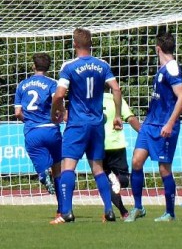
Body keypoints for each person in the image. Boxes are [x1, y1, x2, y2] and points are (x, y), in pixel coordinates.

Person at [50, 28, 123, 224]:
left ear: (74, 44)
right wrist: (117, 115)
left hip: (77, 124)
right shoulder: (102, 65)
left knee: (67, 166)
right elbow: (116, 88)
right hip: (97, 124)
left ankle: (66, 212)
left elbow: (58, 95)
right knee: (98, 168)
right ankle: (109, 211)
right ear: (91, 44)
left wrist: (56, 112)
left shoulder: (70, 66)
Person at [125, 31, 182, 222]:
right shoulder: (163, 69)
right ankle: (138, 208)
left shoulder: (172, 68)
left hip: (164, 126)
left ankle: (170, 213)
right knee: (136, 162)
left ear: (157, 48)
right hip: (150, 124)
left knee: (164, 169)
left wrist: (169, 123)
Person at [14, 53, 62, 217]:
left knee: (42, 165)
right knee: (58, 171)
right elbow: (58, 100)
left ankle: (42, 174)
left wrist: (26, 119)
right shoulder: (52, 83)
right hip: (50, 129)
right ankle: (61, 210)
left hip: (33, 130)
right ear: (48, 67)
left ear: (34, 66)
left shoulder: (22, 85)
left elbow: (18, 112)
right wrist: (57, 115)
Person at [102, 85, 141, 220]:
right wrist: (143, 133)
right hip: (116, 144)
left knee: (105, 182)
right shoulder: (116, 99)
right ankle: (122, 211)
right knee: (123, 180)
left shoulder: (92, 100)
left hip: (98, 145)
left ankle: (121, 212)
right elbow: (130, 118)